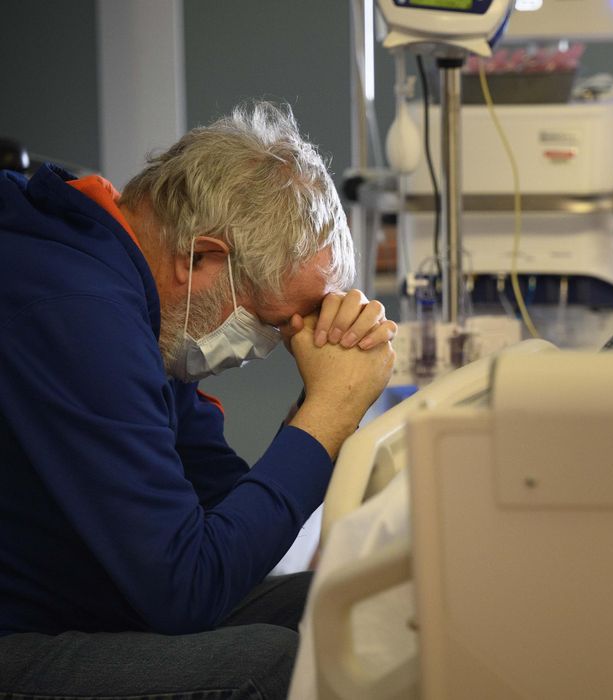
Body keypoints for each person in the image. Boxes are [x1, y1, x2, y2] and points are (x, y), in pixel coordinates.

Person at [0, 102, 397, 698]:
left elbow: (222, 517)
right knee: (273, 665)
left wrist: (317, 405)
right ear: (200, 257)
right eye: (275, 322)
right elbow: (186, 590)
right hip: (18, 633)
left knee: (353, 608)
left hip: (82, 594)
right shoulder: (80, 316)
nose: (282, 343)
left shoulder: (131, 293)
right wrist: (328, 417)